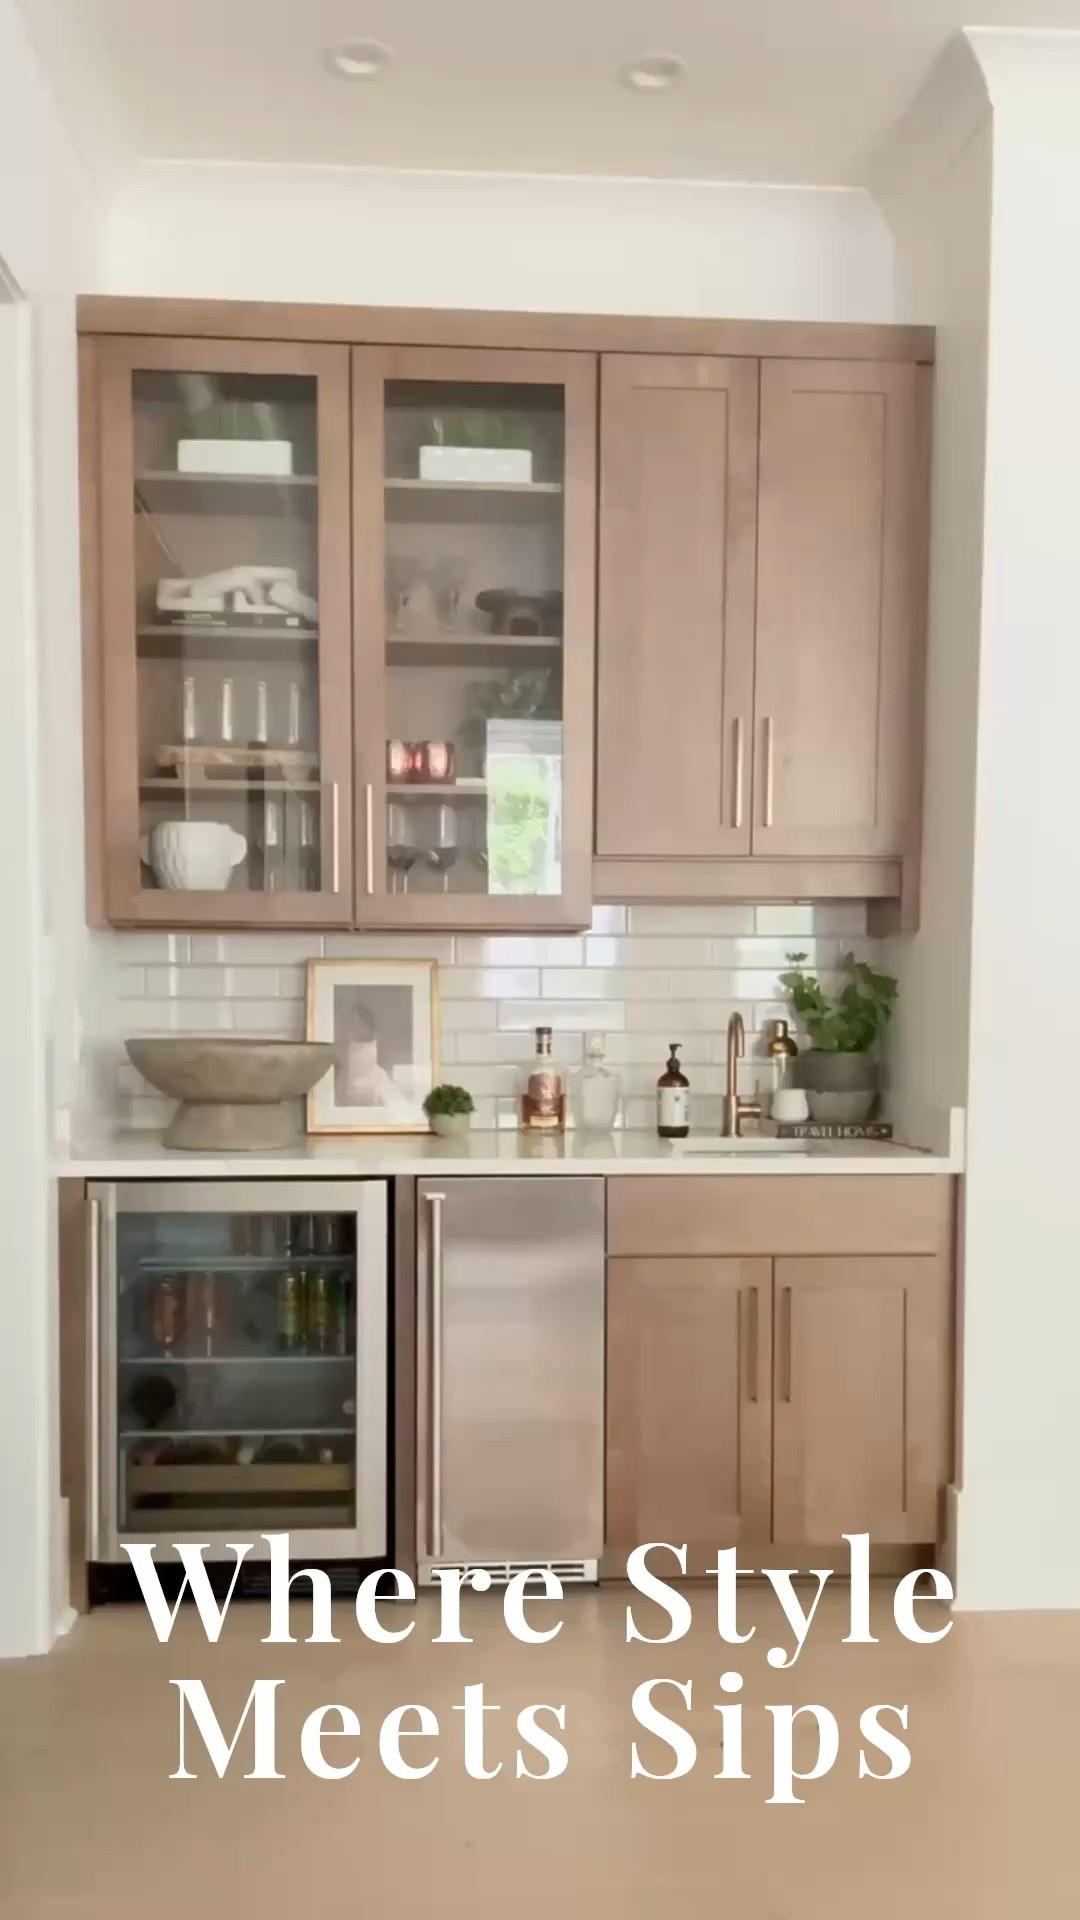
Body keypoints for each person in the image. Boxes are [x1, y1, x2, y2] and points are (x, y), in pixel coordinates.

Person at [335, 998, 401, 1108]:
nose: (355, 1025)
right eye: (352, 1021)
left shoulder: (376, 1043)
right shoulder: (345, 1046)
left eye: (358, 1021)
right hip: (350, 1088)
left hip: (374, 1084)